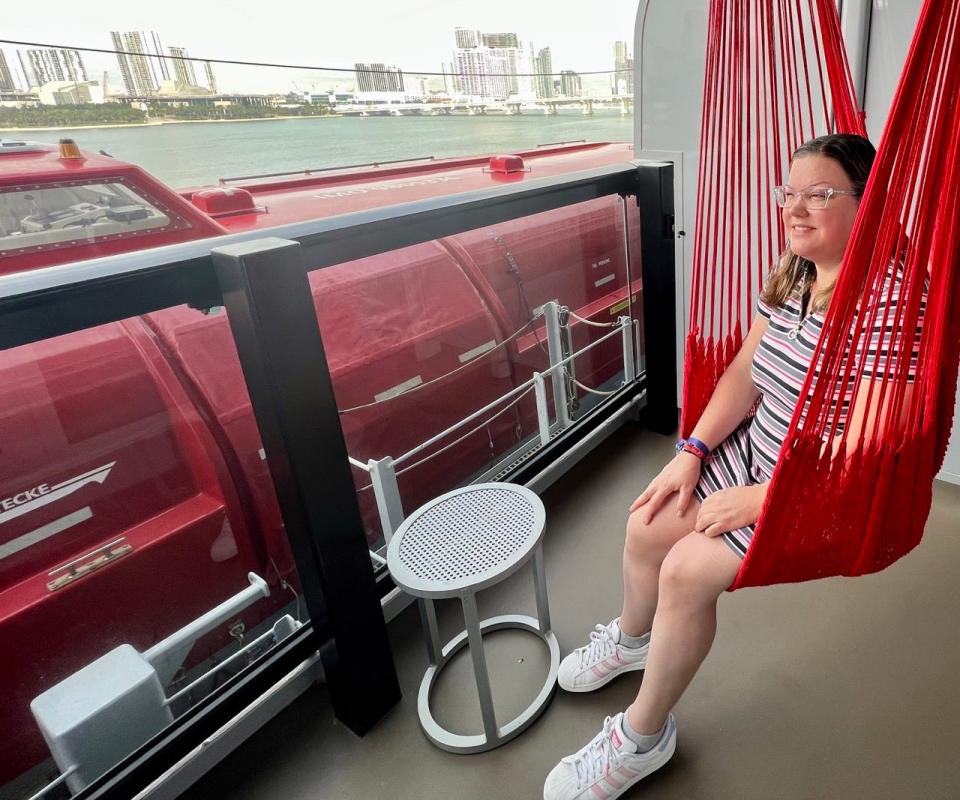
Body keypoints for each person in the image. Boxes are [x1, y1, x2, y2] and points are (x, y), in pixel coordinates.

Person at [542, 133, 884, 800]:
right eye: (789, 193)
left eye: (820, 194)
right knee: (648, 522)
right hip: (758, 453)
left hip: (819, 487)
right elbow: (744, 376)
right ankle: (635, 641)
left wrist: (765, 499)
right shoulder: (797, 270)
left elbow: (870, 441)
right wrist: (692, 451)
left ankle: (641, 739)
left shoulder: (887, 299)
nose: (795, 208)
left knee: (685, 571)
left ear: (866, 204)